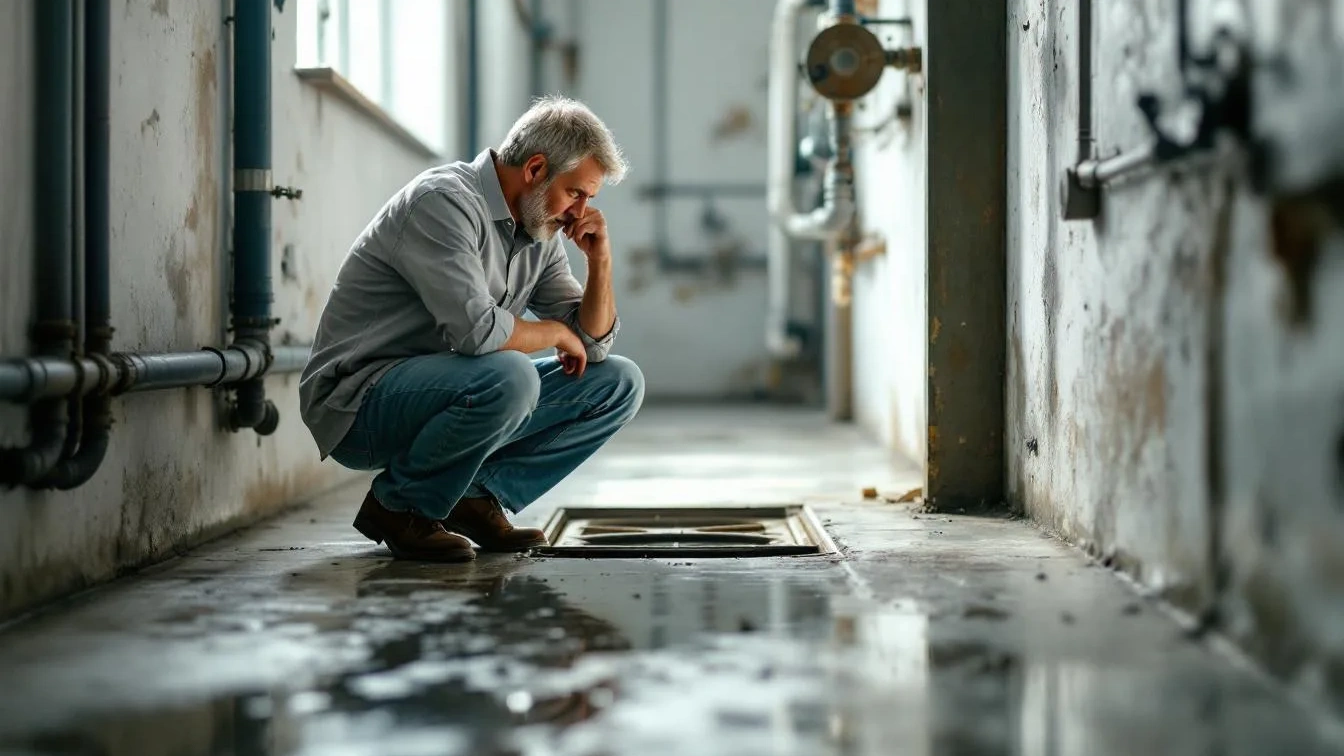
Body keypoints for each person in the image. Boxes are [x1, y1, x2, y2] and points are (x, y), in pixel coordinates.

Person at [298, 96, 644, 563]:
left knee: (618, 383)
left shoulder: (539, 228)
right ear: (536, 169)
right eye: (576, 193)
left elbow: (593, 347)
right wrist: (555, 335)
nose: (580, 212)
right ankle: (399, 506)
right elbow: (477, 333)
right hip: (360, 402)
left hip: (449, 388)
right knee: (511, 375)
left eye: (590, 199)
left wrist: (600, 262)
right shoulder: (443, 202)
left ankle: (473, 495)